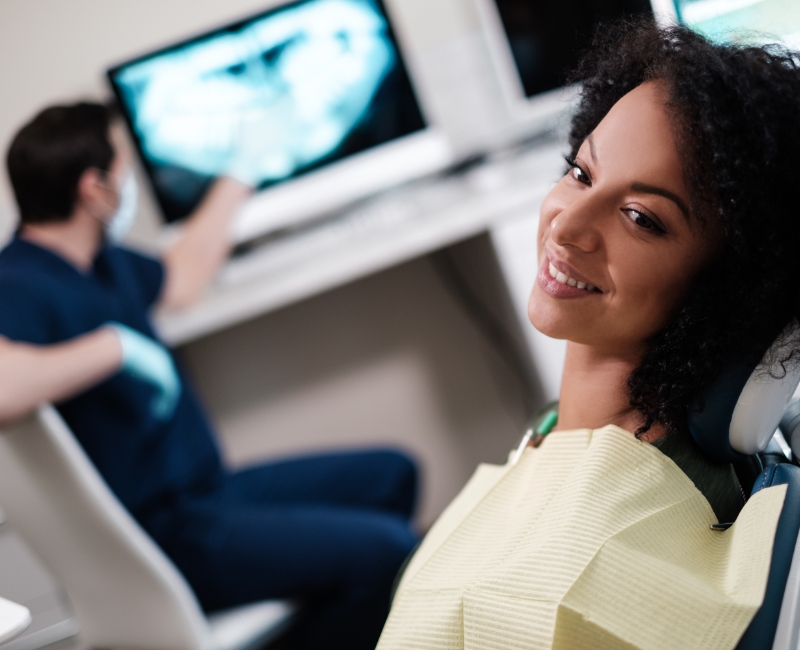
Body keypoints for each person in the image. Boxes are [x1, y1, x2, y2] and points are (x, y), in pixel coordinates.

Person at [377, 18, 800, 649]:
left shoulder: (579, 586)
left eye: (641, 218)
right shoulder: (565, 433)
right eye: (581, 173)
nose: (567, 223)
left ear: (726, 287)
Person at [0, 102, 418, 650]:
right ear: (94, 189)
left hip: (209, 492)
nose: (127, 186)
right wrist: (113, 347)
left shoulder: (105, 260)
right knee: (386, 551)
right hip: (162, 532)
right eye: (121, 171)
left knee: (393, 476)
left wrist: (242, 168)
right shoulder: (18, 281)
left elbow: (182, 276)